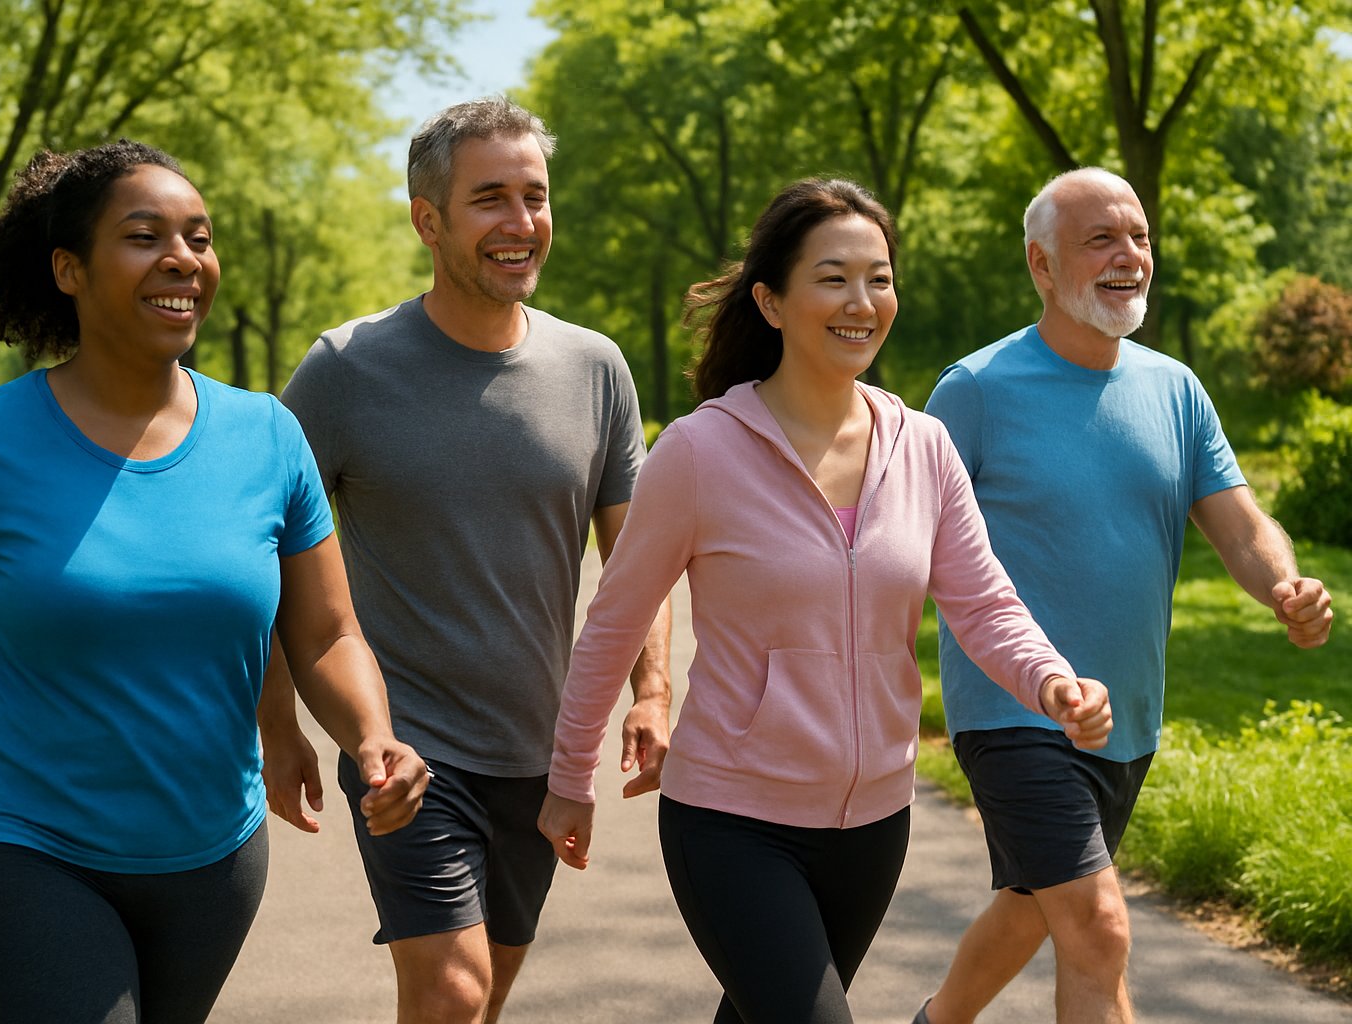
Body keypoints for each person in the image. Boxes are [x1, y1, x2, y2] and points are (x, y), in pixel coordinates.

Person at [0, 140, 428, 1023]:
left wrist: (373, 738)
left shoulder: (266, 438)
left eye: (200, 237)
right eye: (145, 236)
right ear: (69, 269)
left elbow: (328, 634)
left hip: (211, 859)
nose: (184, 258)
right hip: (10, 843)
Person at [536, 177, 1114, 1024]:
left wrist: (1052, 683)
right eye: (834, 277)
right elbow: (615, 622)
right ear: (771, 302)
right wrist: (568, 779)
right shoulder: (700, 453)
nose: (863, 301)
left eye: (879, 278)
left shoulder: (924, 447)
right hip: (732, 820)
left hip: (874, 821)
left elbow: (985, 604)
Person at [259, 96, 673, 1024]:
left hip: (538, 748)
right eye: (491, 198)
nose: (521, 223)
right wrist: (275, 720)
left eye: (534, 196)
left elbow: (637, 558)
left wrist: (652, 692)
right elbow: (268, 552)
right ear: (428, 220)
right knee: (452, 991)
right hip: (406, 747)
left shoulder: (595, 367)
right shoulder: (345, 370)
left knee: (480, 999)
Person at [914, 167, 1335, 1024]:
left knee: (1037, 907)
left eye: (1138, 235)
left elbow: (1241, 522)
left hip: (1128, 718)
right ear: (1041, 264)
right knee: (1100, 928)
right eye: (1099, 239)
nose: (1128, 255)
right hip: (1016, 713)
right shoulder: (975, 392)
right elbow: (907, 546)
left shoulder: (1175, 390)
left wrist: (1284, 586)